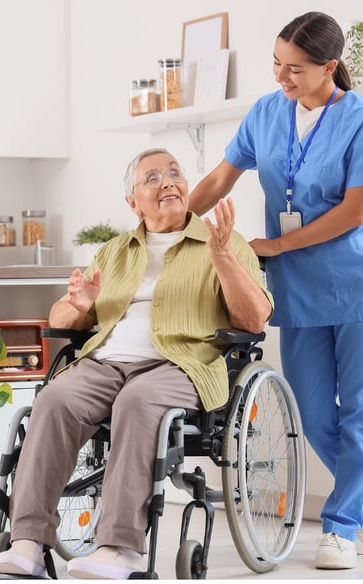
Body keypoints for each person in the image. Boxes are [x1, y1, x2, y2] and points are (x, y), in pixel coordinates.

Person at [0, 148, 273, 579]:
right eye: (152, 177)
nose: (168, 181)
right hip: (106, 364)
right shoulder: (114, 251)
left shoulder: (224, 241)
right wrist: (80, 306)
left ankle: (121, 549)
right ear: (133, 202)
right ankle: (28, 541)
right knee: (53, 399)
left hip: (181, 364)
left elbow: (254, 320)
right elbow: (60, 318)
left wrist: (222, 259)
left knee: (137, 400)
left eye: (175, 173)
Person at [187, 11, 363, 571]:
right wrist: (169, 223)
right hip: (297, 288)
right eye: (276, 63)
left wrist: (279, 244)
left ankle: (342, 527)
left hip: (354, 282)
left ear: (329, 67)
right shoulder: (266, 112)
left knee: (359, 413)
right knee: (311, 413)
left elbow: (355, 210)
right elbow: (220, 179)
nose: (281, 76)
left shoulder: (358, 119)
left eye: (295, 68)